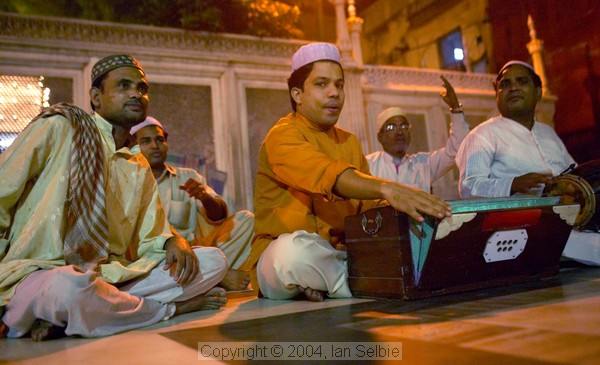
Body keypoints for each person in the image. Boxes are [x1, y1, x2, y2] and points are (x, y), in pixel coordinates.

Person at [0, 55, 229, 341]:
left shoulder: (138, 163)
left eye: (142, 88)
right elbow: (3, 190)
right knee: (70, 288)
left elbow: (151, 236)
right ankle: (167, 310)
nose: (136, 93)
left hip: (113, 275)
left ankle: (89, 311)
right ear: (96, 97)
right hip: (41, 272)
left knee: (212, 262)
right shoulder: (61, 127)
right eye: (124, 86)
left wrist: (174, 240)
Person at [244, 42, 452, 302]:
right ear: (297, 95)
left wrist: (403, 211)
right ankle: (355, 282)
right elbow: (327, 173)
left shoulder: (349, 142)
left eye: (339, 85)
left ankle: (327, 282)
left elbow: (368, 208)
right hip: (278, 259)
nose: (334, 93)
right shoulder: (282, 136)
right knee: (295, 253)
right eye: (321, 84)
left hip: (339, 254)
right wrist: (388, 187)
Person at [456, 60, 599, 265]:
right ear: (496, 93)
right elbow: (468, 187)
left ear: (538, 92)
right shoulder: (483, 135)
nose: (513, 87)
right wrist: (512, 184)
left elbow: (575, 175)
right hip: (524, 228)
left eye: (521, 81)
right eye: (505, 84)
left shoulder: (547, 133)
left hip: (571, 220)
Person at [131, 116, 254, 291]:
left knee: (246, 220)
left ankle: (206, 274)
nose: (154, 145)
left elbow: (219, 216)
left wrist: (204, 197)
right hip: (158, 258)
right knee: (141, 265)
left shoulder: (188, 176)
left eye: (160, 140)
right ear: (133, 147)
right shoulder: (128, 184)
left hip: (197, 251)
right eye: (146, 141)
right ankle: (218, 277)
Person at [366, 76, 469, 194]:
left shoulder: (423, 164)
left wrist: (456, 108)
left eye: (404, 126)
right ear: (380, 137)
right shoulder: (368, 166)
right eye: (391, 127)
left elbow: (458, 149)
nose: (399, 132)